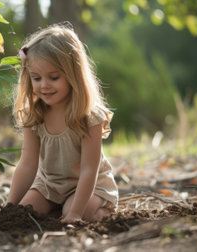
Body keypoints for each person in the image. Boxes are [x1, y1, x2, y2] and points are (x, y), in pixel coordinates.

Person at [7, 23, 118, 224]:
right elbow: (27, 163)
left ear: (73, 74)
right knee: (23, 213)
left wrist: (74, 213)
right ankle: (54, 212)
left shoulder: (88, 116)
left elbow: (88, 170)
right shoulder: (35, 114)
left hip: (86, 186)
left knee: (76, 213)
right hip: (49, 185)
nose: (44, 85)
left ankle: (102, 212)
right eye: (36, 78)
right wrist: (9, 207)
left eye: (54, 77)